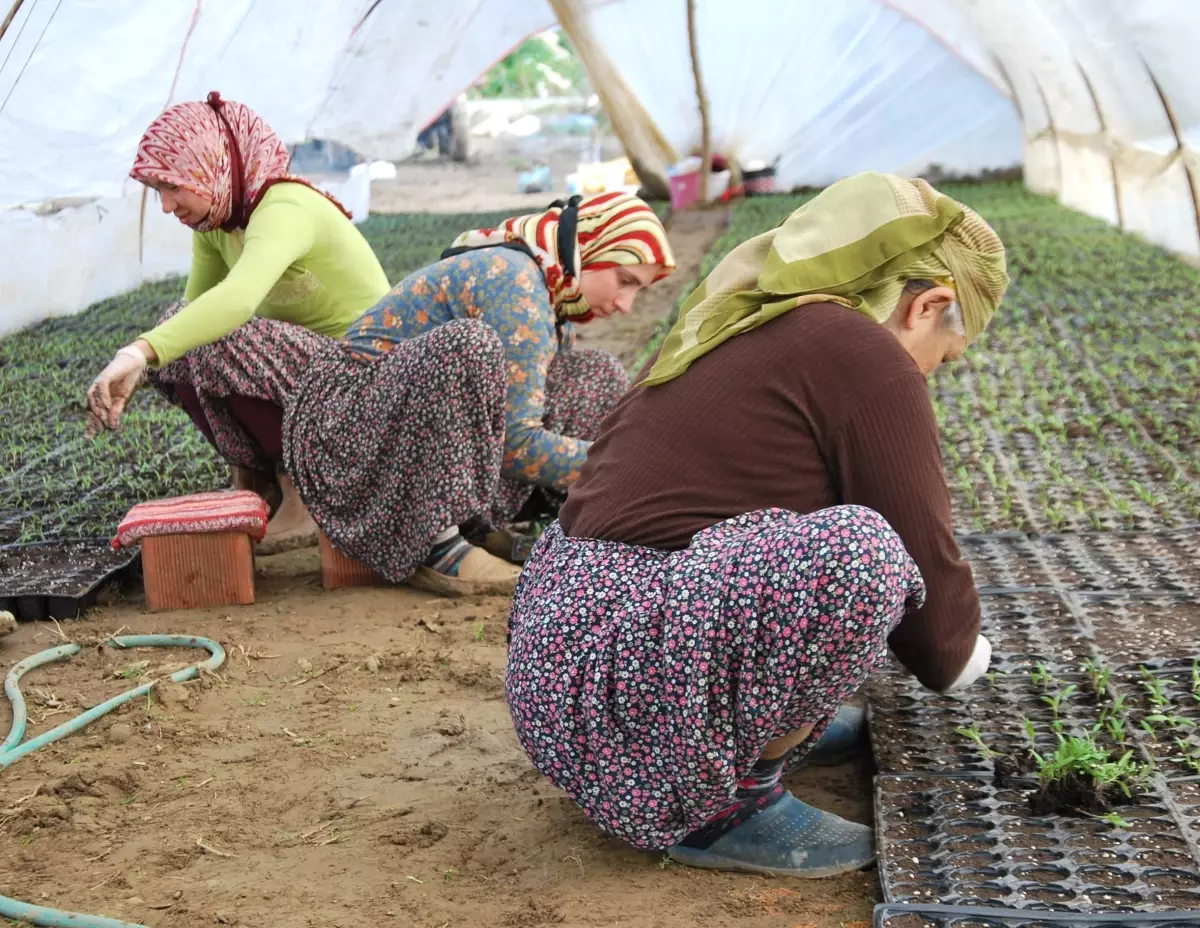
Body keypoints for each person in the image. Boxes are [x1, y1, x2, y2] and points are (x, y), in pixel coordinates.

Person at [505, 172, 1010, 877]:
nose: (930, 374)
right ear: (929, 305)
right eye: (944, 356)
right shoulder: (864, 353)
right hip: (621, 697)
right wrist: (961, 655)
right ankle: (728, 805)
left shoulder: (750, 317)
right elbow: (925, 562)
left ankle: (739, 730)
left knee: (825, 531)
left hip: (566, 674)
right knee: (862, 555)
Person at [283, 192, 676, 596]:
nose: (627, 304)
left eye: (638, 291)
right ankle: (437, 545)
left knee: (593, 374)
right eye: (625, 281)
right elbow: (516, 445)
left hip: (386, 431)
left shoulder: (549, 290)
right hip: (340, 435)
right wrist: (627, 468)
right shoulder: (517, 283)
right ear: (589, 248)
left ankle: (483, 527)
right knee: (469, 346)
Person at [85, 92, 391, 554]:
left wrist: (136, 352)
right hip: (313, 376)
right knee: (183, 343)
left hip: (366, 378)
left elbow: (236, 301)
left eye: (173, 186)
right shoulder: (217, 224)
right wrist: (146, 363)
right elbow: (194, 312)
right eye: (157, 192)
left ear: (212, 166)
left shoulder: (285, 208)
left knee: (208, 338)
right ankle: (257, 483)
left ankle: (302, 497)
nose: (167, 205)